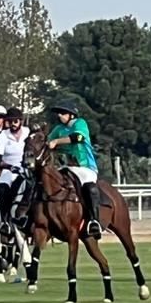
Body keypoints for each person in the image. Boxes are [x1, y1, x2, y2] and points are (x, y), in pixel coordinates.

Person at [46, 101, 103, 239]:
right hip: (67, 168)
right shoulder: (58, 129)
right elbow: (47, 142)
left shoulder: (80, 123)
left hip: (86, 167)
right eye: (59, 113)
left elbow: (78, 137)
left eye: (63, 113)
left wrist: (56, 142)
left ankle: (94, 221)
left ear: (71, 115)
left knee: (90, 188)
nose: (60, 115)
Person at [0, 106, 30, 228]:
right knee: (3, 190)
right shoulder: (3, 136)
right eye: (10, 122)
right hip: (9, 171)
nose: (13, 124)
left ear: (20, 121)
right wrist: (9, 167)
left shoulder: (28, 132)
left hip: (26, 169)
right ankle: (5, 221)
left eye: (15, 121)